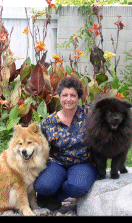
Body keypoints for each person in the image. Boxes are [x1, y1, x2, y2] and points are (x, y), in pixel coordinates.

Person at [34, 76, 98, 211]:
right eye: (65, 95)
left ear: (79, 97)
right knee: (42, 186)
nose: (68, 99)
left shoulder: (90, 114)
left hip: (83, 163)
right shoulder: (49, 122)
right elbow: (36, 145)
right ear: (59, 96)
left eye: (73, 95)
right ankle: (52, 186)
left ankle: (57, 195)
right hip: (57, 163)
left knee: (78, 187)